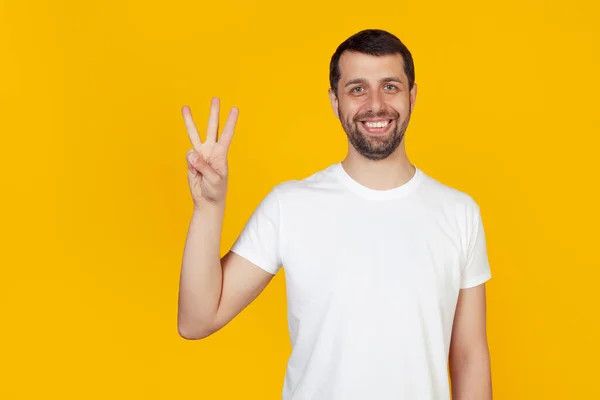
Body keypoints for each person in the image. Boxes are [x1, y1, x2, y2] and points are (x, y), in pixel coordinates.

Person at [177, 29, 493, 400]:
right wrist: (209, 207)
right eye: (357, 89)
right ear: (334, 101)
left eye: (389, 86)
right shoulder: (290, 206)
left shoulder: (459, 213)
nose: (376, 104)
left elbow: (470, 356)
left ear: (412, 95)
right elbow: (196, 320)